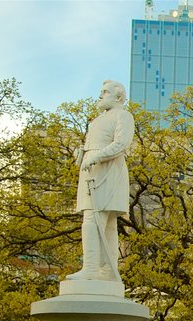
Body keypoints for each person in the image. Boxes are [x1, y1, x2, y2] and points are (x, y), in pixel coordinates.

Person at [67, 80, 134, 282]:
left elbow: (121, 143)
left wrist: (96, 156)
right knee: (106, 224)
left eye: (105, 92)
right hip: (91, 171)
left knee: (95, 219)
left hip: (107, 171)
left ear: (118, 97)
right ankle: (107, 271)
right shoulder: (96, 121)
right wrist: (84, 155)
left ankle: (92, 268)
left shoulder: (123, 115)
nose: (100, 96)